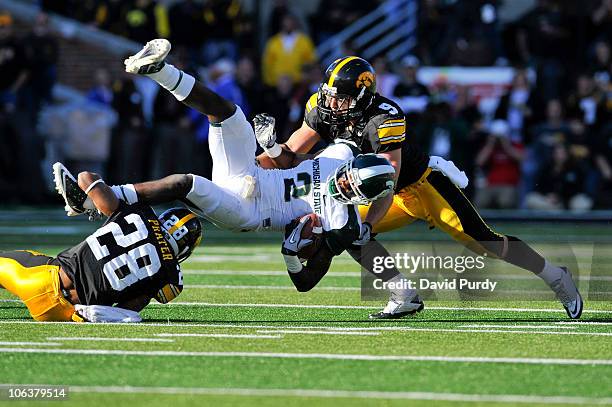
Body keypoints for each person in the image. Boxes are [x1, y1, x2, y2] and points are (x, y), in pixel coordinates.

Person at [56, 39, 423, 318]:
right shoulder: (341, 151)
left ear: (357, 191)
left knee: (187, 184)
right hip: (252, 175)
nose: (343, 182)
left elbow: (305, 283)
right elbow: (290, 158)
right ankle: (161, 72)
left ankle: (104, 200)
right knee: (230, 116)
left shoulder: (339, 214)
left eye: (350, 187)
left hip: (250, 211)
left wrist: (293, 254)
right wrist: (271, 148)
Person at [255, 55, 584, 319]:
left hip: (420, 186)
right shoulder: (322, 107)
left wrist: (369, 224)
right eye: (329, 94)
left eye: (339, 98)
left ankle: (556, 275)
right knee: (349, 232)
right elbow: (291, 156)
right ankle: (404, 294)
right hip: (379, 189)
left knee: (486, 243)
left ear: (361, 97)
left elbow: (388, 178)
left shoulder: (384, 117)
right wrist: (267, 151)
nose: (330, 103)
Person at [1, 164, 202, 322]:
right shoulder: (172, 278)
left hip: (43, 280)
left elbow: (85, 177)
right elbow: (129, 307)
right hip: (68, 314)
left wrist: (94, 203)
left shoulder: (139, 213)